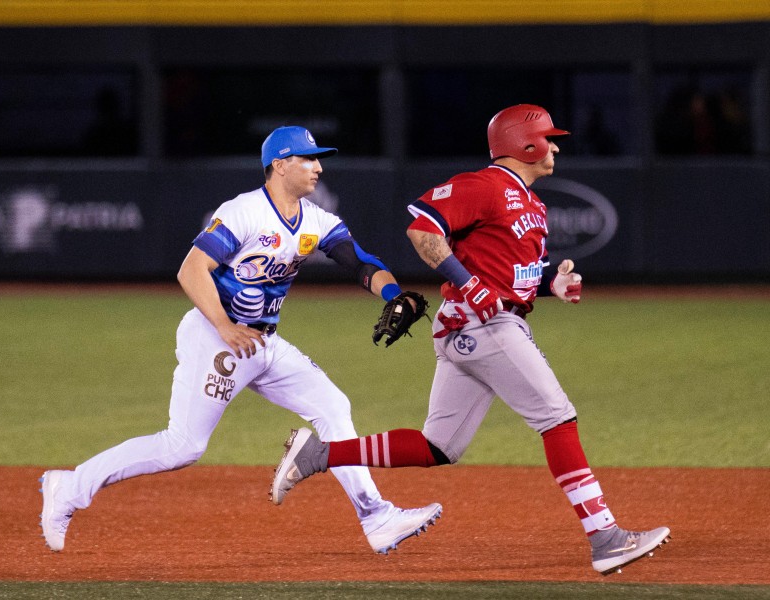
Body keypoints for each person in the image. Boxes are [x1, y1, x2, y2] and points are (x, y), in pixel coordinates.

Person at [270, 105, 671, 576]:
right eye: (548, 137)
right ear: (525, 144)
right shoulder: (484, 185)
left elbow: (513, 273)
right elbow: (422, 228)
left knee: (437, 447)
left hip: (475, 327)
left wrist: (551, 285)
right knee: (557, 418)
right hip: (485, 326)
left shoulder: (532, 203)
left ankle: (319, 454)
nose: (555, 146)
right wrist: (468, 282)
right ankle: (605, 537)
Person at [39, 125, 441, 555]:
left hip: (264, 342)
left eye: (318, 158)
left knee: (333, 407)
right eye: (308, 158)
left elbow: (359, 261)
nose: (318, 167)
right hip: (217, 337)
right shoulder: (243, 212)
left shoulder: (316, 220)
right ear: (280, 165)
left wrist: (394, 294)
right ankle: (69, 486)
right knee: (183, 446)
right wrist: (223, 326)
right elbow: (191, 269)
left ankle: (375, 516)